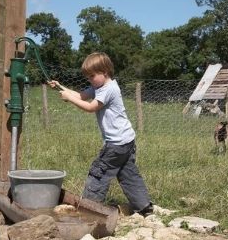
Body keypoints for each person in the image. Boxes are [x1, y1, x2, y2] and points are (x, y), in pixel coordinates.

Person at [48, 52, 153, 216]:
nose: (89, 80)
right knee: (128, 173)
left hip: (116, 144)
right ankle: (144, 206)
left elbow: (90, 107)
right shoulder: (99, 86)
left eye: (92, 76)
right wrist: (61, 87)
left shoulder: (108, 89)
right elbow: (82, 95)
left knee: (99, 173)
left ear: (104, 72)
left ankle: (89, 211)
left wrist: (68, 97)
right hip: (127, 141)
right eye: (87, 77)